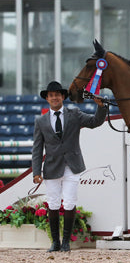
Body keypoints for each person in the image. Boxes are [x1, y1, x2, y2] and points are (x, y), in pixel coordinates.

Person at [32, 81, 106, 252]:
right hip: (51, 167)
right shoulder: (41, 121)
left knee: (70, 201)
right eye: (51, 95)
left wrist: (101, 107)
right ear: (47, 98)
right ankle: (55, 242)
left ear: (63, 97)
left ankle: (66, 241)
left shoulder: (74, 113)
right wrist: (36, 171)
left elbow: (95, 121)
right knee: (53, 203)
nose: (54, 97)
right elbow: (37, 149)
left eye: (57, 94)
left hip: (72, 166)